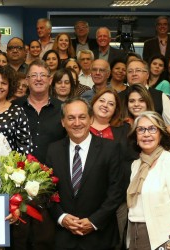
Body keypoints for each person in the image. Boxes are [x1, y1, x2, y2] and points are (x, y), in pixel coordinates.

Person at [48, 98, 124, 249]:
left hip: (100, 238)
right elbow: (48, 191)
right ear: (63, 122)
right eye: (71, 118)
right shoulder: (53, 150)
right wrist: (62, 218)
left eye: (82, 117)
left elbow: (116, 192)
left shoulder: (111, 149)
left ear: (91, 119)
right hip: (64, 238)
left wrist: (94, 221)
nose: (77, 123)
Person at [126, 111, 170, 249]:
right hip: (135, 233)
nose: (146, 134)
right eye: (141, 129)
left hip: (164, 235)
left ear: (160, 134)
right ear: (136, 137)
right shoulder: (136, 165)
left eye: (152, 129)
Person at [88, 88, 137, 249]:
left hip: (118, 198)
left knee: (117, 242)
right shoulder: (80, 127)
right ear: (93, 102)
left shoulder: (124, 130)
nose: (105, 105)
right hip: (86, 198)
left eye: (111, 103)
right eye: (101, 101)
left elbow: (131, 161)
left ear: (116, 109)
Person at [122, 59, 170, 153]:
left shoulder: (160, 96)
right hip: (126, 154)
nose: (134, 74)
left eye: (138, 70)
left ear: (147, 75)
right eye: (130, 71)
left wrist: (166, 152)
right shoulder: (119, 97)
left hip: (157, 155)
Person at [0, 65, 33, 155]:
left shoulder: (17, 112)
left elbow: (25, 147)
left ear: (10, 87)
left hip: (8, 167)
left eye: (4, 83)